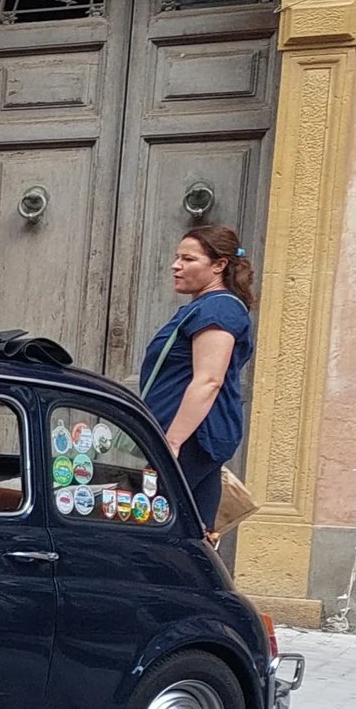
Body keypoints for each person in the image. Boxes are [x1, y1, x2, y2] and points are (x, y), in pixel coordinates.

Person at [139, 224, 257, 540]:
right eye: (178, 257)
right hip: (193, 437)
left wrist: (172, 442)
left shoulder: (219, 309)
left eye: (188, 259)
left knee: (151, 523)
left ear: (219, 265)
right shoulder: (205, 307)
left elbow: (209, 380)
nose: (176, 266)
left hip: (194, 438)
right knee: (194, 532)